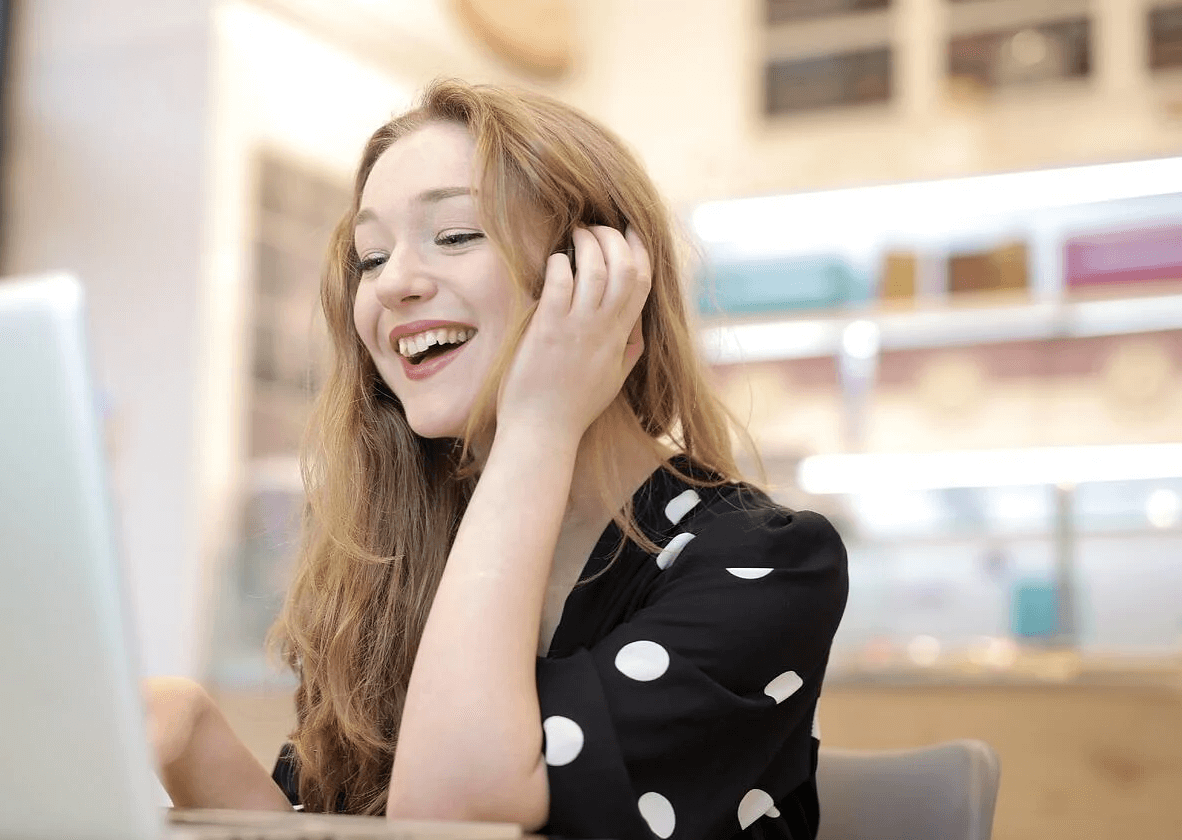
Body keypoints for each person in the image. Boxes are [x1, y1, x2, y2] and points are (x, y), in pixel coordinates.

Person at [147, 79, 848, 840]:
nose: (396, 285)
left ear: (599, 276)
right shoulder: (401, 556)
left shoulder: (768, 564)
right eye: (371, 256)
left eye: (453, 236)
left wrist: (539, 424)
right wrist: (191, 737)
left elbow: (452, 814)